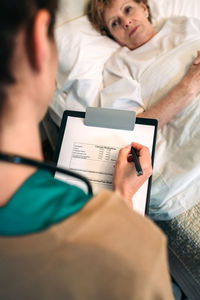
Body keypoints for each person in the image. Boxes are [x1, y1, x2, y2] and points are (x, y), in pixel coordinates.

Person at [0, 0, 175, 299]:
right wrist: (123, 204)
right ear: (39, 43)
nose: (125, 22)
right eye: (114, 22)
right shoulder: (133, 253)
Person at [87, 0, 200, 220]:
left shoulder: (183, 24)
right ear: (112, 36)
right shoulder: (120, 66)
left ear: (145, 8)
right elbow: (131, 130)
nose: (126, 22)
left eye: (128, 9)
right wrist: (189, 86)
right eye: (115, 23)